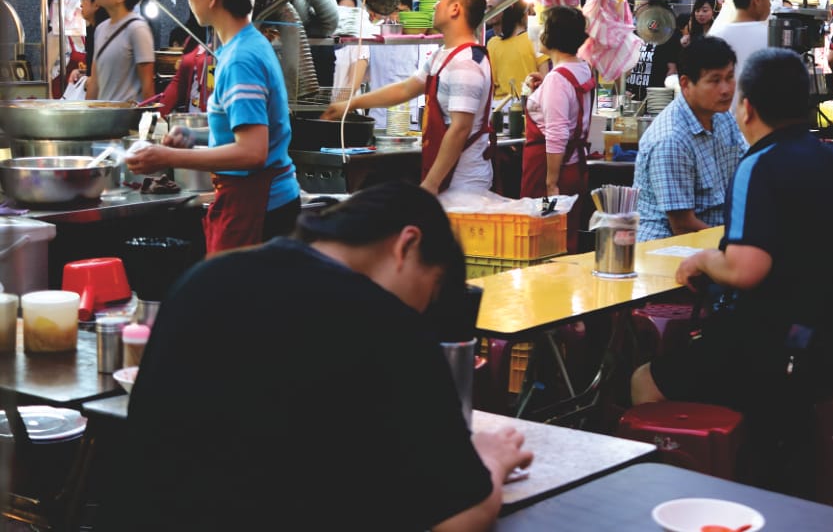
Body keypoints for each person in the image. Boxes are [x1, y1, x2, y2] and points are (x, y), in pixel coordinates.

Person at [108, 182, 533, 531]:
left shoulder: (204, 279)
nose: (423, 310)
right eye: (432, 289)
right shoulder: (389, 325)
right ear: (407, 244)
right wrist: (490, 460)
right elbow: (459, 518)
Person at [632, 49, 833, 488]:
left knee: (646, 379)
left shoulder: (760, 163)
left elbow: (746, 269)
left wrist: (703, 259)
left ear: (748, 107)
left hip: (772, 352)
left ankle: (667, 492)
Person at [126, 0, 301, 256]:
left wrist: (165, 156)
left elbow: (252, 152)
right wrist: (196, 137)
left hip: (260, 209)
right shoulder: (247, 45)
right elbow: (248, 133)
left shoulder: (240, 59)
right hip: (265, 203)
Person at [324, 0, 494, 194]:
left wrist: (431, 184)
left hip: (464, 184)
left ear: (455, 9)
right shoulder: (443, 56)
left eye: (440, 0)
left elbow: (460, 128)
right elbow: (404, 89)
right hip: (446, 178)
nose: (435, 5)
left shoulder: (466, 63)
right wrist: (350, 103)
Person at [634, 37, 744, 241]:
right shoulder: (671, 140)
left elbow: (747, 167)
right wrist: (735, 244)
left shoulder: (723, 116)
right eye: (714, 80)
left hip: (715, 238)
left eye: (729, 77)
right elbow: (683, 225)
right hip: (666, 249)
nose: (726, 89)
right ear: (685, 84)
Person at [522, 6, 594, 251]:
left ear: (552, 36)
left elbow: (557, 133)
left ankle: (547, 285)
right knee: (566, 233)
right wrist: (543, 91)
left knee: (545, 234)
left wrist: (551, 184)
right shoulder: (581, 68)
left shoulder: (558, 79)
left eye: (543, 28)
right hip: (575, 168)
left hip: (552, 172)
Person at [86, 0, 155, 103]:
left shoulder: (137, 28)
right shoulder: (100, 29)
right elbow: (95, 82)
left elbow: (147, 84)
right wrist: (86, 114)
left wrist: (150, 118)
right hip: (103, 115)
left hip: (127, 116)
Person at [708, 0, 772, 98]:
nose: (770, 4)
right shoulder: (772, 37)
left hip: (721, 115)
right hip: (758, 116)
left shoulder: (714, 37)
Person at [488, 0, 544, 100]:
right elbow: (544, 79)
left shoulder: (492, 43)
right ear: (525, 14)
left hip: (499, 105)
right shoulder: (535, 40)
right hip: (529, 103)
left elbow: (491, 84)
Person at [157, 14, 214, 116]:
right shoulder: (193, 38)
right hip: (192, 119)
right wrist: (158, 115)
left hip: (211, 122)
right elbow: (179, 81)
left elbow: (211, 87)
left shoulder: (224, 41)